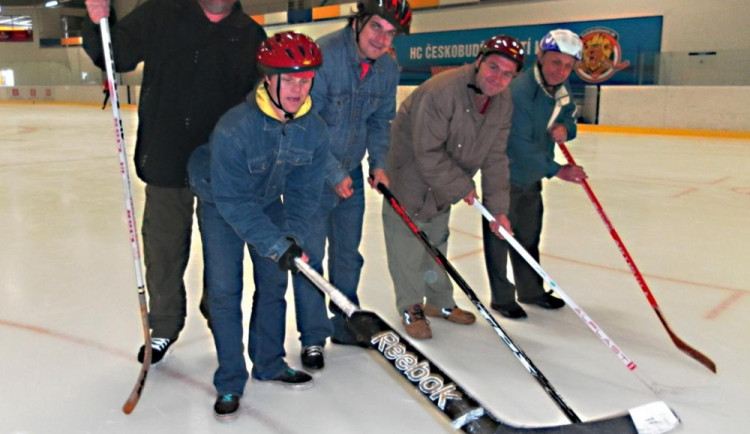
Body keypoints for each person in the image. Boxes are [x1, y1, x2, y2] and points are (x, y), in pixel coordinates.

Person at [81, 0, 266, 363]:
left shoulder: (249, 34)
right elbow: (116, 55)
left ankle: (221, 316)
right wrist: (98, 21)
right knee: (163, 250)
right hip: (167, 158)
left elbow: (259, 98)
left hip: (221, 166)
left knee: (222, 251)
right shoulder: (161, 13)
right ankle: (164, 325)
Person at [187, 31, 329, 420]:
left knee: (273, 282)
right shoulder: (235, 128)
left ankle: (268, 362)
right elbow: (234, 201)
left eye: (306, 79)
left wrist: (292, 239)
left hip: (267, 203)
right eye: (291, 79)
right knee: (224, 289)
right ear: (269, 78)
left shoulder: (313, 129)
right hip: (220, 203)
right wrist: (274, 243)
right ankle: (231, 379)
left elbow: (304, 195)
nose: (299, 89)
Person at [290, 0, 412, 368]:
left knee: (348, 254)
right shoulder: (324, 56)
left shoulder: (387, 67)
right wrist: (332, 174)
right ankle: (312, 336)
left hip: (352, 175)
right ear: (357, 22)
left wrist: (378, 164)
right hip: (309, 174)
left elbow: (380, 122)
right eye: (377, 27)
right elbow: (302, 122)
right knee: (311, 258)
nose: (382, 39)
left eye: (390, 34)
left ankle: (345, 321)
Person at [382, 35, 525, 340]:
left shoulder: (502, 102)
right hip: (410, 176)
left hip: (445, 183)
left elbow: (496, 157)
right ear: (479, 61)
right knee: (407, 247)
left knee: (437, 242)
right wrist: (461, 185)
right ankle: (411, 306)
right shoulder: (443, 91)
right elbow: (427, 152)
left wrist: (498, 210)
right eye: (493, 67)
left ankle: (439, 302)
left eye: (507, 73)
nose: (498, 77)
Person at [482, 29, 587, 319]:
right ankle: (502, 298)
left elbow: (569, 118)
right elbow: (520, 145)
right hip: (503, 175)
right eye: (555, 62)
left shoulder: (560, 91)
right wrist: (558, 170)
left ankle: (530, 291)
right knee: (499, 238)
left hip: (531, 176)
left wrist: (567, 129)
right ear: (540, 57)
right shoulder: (520, 92)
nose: (561, 71)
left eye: (568, 66)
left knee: (528, 236)